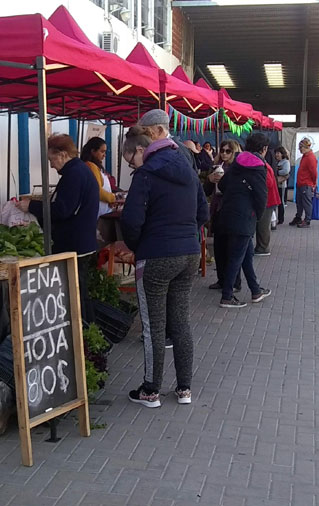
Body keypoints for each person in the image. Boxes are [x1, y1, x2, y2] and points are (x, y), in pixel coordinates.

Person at [120, 122, 208, 408]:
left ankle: (150, 390)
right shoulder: (188, 169)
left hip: (156, 254)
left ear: (141, 149)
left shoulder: (145, 174)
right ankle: (184, 389)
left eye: (130, 159)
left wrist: (137, 246)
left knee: (153, 326)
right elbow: (203, 211)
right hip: (189, 252)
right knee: (180, 322)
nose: (132, 164)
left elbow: (131, 221)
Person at [17, 133, 99, 322]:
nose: (51, 165)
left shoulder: (75, 174)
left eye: (51, 159)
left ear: (62, 154)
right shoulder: (78, 171)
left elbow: (63, 210)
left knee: (75, 292)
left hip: (74, 244)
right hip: (81, 241)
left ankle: (85, 332)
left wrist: (31, 206)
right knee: (79, 291)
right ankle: (87, 332)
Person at [217, 133, 273, 308]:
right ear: (264, 149)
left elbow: (223, 184)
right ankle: (227, 296)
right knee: (236, 257)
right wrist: (257, 214)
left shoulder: (237, 161)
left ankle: (255, 290)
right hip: (244, 216)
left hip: (227, 213)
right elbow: (261, 195)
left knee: (246, 255)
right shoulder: (259, 166)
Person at [205, 139, 243, 292]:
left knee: (231, 249)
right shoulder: (215, 167)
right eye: (222, 150)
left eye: (228, 151)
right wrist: (209, 179)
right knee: (219, 248)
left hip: (231, 210)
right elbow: (206, 191)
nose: (224, 154)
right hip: (217, 210)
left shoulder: (236, 168)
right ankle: (221, 280)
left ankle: (234, 282)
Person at [253, 138, 281, 255]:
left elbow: (268, 182)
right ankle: (262, 246)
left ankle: (263, 247)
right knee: (263, 224)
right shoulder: (264, 161)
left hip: (268, 199)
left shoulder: (261, 163)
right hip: (269, 198)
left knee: (263, 225)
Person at [80, 137, 116, 218]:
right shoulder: (91, 166)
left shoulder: (94, 166)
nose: (104, 155)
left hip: (102, 211)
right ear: (93, 151)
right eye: (102, 151)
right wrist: (114, 198)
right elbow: (97, 191)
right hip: (99, 213)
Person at [290, 137, 318, 227]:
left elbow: (314, 172)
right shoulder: (305, 156)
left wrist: (313, 183)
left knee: (306, 202)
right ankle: (298, 217)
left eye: (301, 148)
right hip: (301, 183)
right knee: (300, 202)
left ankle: (307, 220)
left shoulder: (310, 157)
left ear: (305, 147)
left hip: (306, 184)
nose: (300, 150)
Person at [274, 147, 291, 225]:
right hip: (275, 184)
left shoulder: (285, 162)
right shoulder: (276, 162)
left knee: (281, 201)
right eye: (276, 153)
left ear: (282, 154)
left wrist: (276, 172)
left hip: (281, 185)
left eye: (278, 153)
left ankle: (281, 218)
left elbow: (286, 171)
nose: (277, 155)